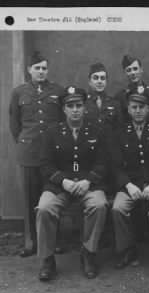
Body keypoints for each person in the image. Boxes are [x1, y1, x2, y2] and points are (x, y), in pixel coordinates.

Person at [35, 86, 109, 281]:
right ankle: (47, 259)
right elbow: (45, 165)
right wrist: (63, 181)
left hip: (88, 185)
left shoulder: (97, 131)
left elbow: (104, 163)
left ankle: (88, 253)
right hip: (60, 186)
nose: (75, 109)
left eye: (78, 105)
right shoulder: (52, 133)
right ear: (64, 109)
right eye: (70, 106)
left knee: (98, 205)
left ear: (85, 107)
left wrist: (88, 180)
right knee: (44, 208)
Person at [110, 85, 149, 278]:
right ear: (128, 109)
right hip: (130, 185)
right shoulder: (120, 133)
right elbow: (115, 166)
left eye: (142, 107)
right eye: (134, 107)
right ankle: (127, 249)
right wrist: (128, 185)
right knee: (118, 208)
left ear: (148, 109)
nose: (138, 111)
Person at [9, 51, 63, 257]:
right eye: (37, 68)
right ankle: (31, 241)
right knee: (31, 199)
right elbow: (14, 123)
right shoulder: (19, 92)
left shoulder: (57, 90)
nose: (41, 71)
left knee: (52, 198)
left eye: (44, 68)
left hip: (52, 155)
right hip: (29, 153)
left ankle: (54, 241)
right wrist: (24, 143)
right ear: (29, 70)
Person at [114, 55, 149, 122]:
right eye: (129, 70)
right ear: (125, 73)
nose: (133, 73)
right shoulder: (120, 97)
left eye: (135, 69)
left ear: (141, 69)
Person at [85, 62, 123, 133]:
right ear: (89, 81)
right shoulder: (83, 103)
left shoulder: (115, 104)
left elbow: (119, 130)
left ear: (106, 82)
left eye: (102, 78)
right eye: (96, 78)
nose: (99, 81)